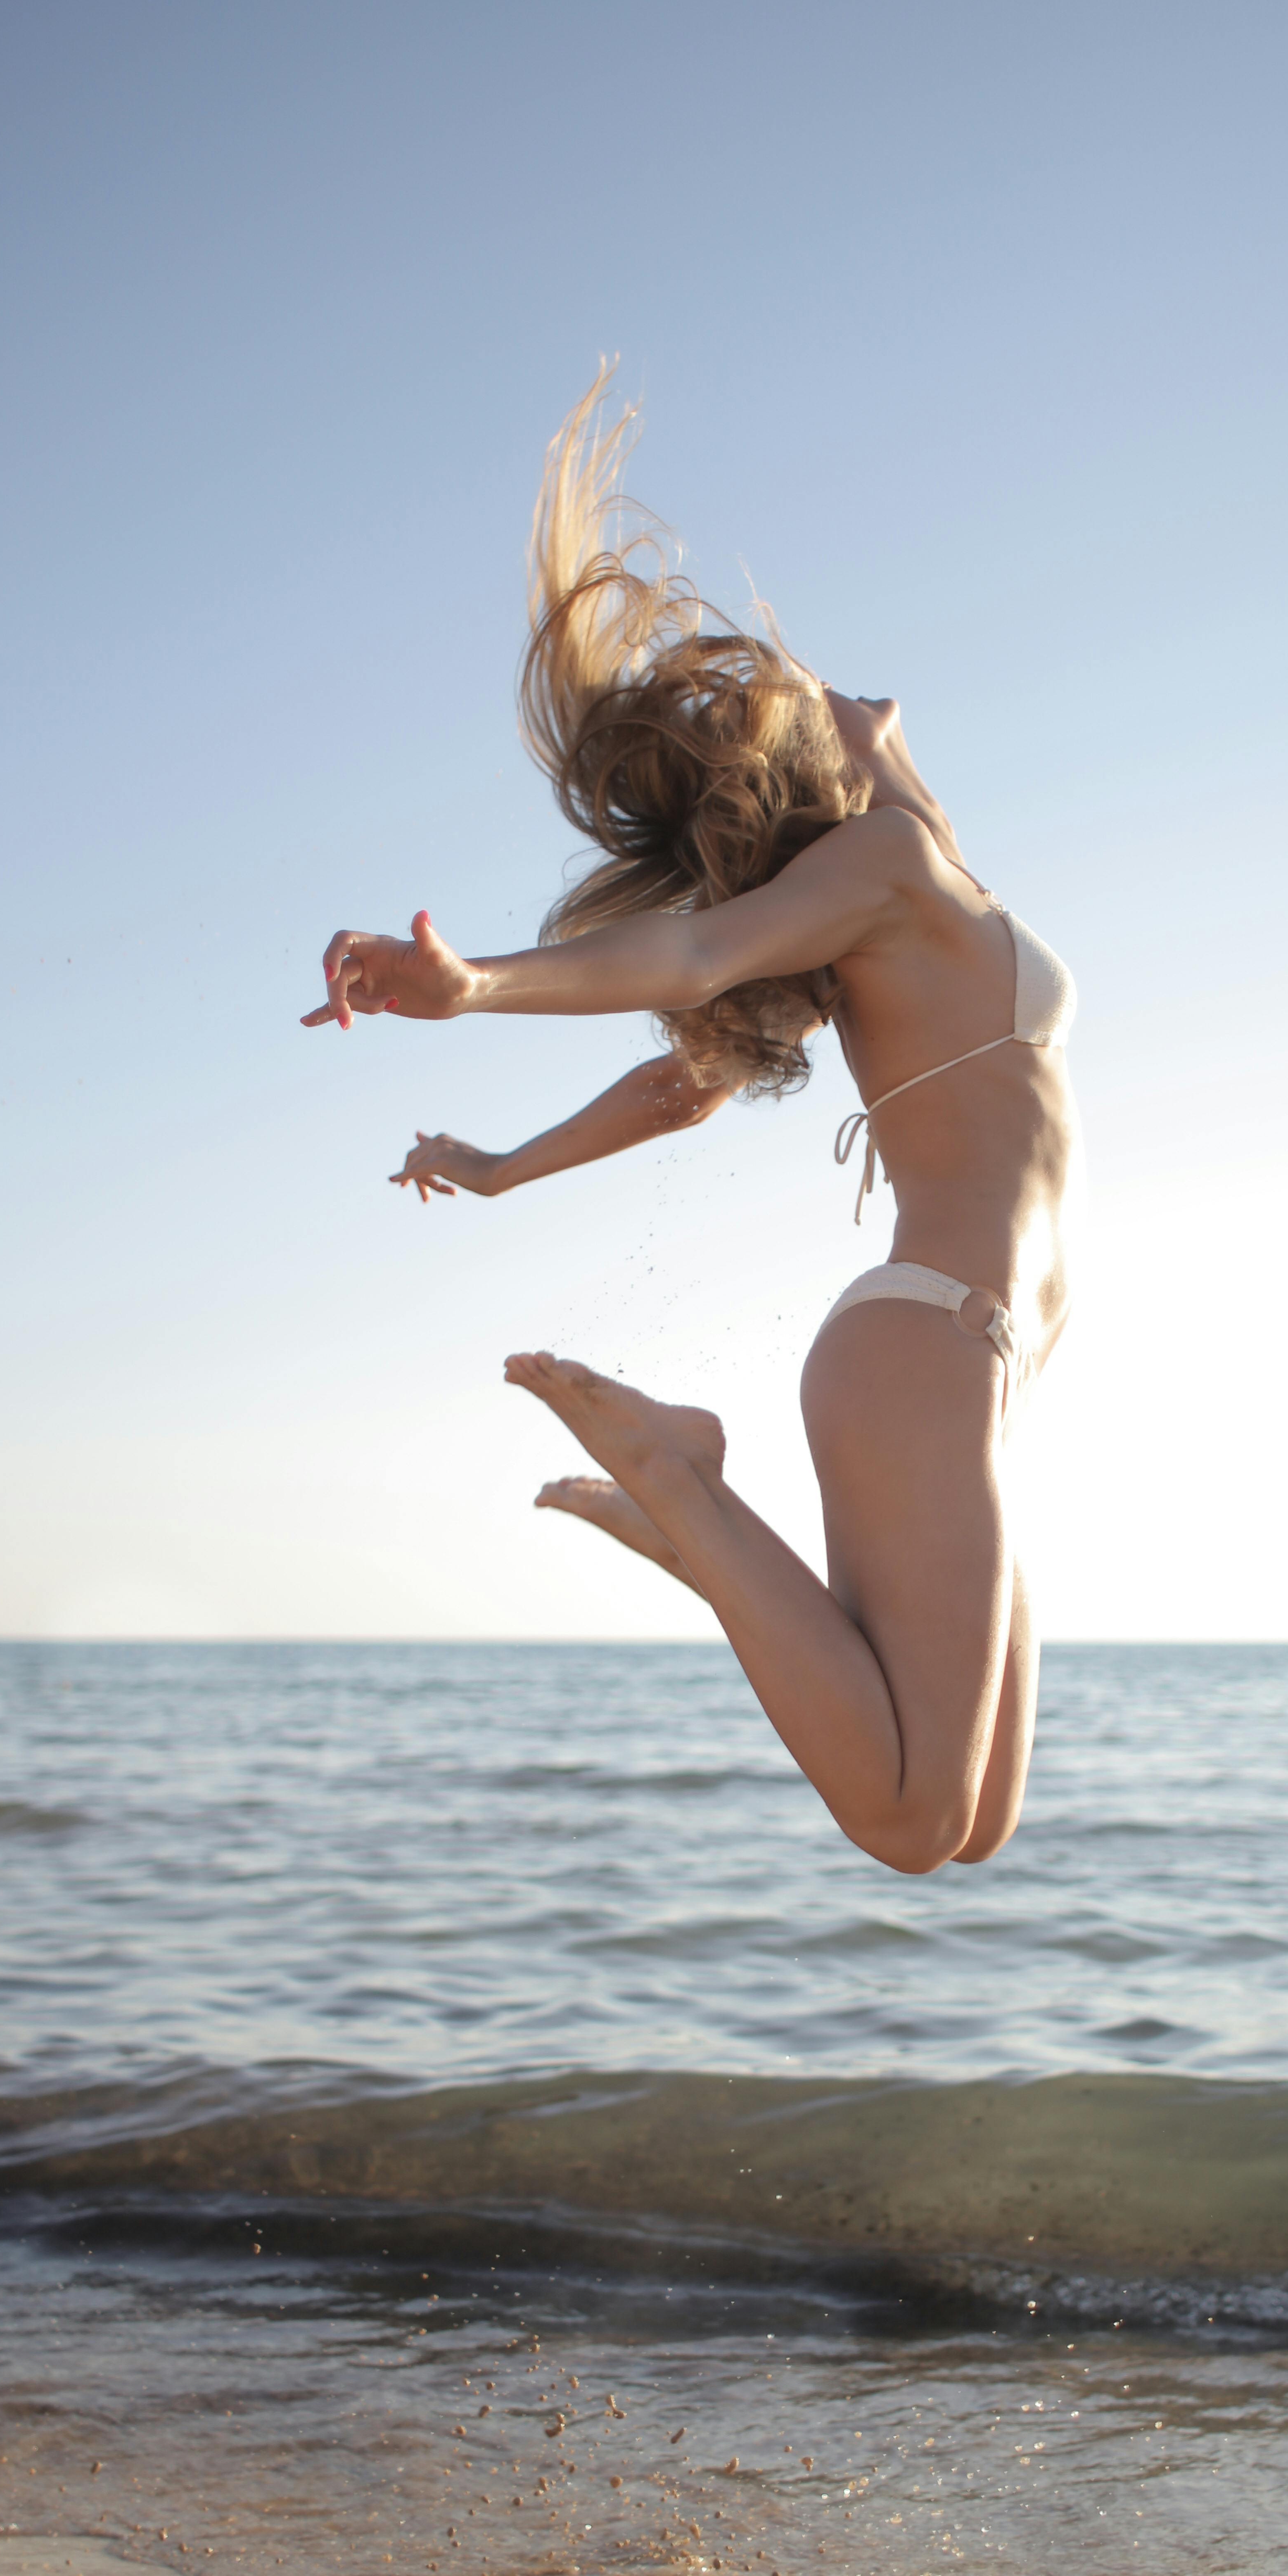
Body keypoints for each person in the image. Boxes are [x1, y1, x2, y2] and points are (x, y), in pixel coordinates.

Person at [301, 373, 1078, 1873]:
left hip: (976, 1373)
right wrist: (469, 992)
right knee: (913, 1824)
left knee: (977, 1827)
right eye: (843, 707)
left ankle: (705, 1539)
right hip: (925, 1344)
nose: (867, 695)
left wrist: (509, 1168)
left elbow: (684, 1079)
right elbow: (691, 960)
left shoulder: (917, 899)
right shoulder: (889, 869)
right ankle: (680, 1479)